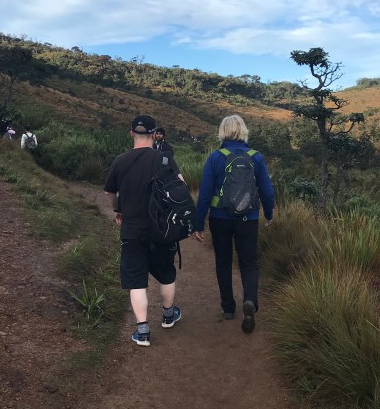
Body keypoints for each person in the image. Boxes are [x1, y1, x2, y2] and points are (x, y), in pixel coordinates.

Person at [104, 114, 183, 347]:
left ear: (131, 133)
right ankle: (168, 316)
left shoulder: (120, 161)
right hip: (162, 228)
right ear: (154, 134)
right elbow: (181, 185)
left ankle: (143, 331)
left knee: (136, 279)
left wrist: (118, 210)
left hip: (132, 229)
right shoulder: (165, 159)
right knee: (166, 272)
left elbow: (110, 192)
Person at [194, 114, 274, 334]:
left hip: (220, 218)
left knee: (223, 261)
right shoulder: (256, 157)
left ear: (222, 132)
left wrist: (199, 223)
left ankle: (228, 308)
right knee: (249, 263)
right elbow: (267, 191)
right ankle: (249, 301)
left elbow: (205, 193)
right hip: (249, 219)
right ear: (243, 130)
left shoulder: (215, 157)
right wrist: (268, 213)